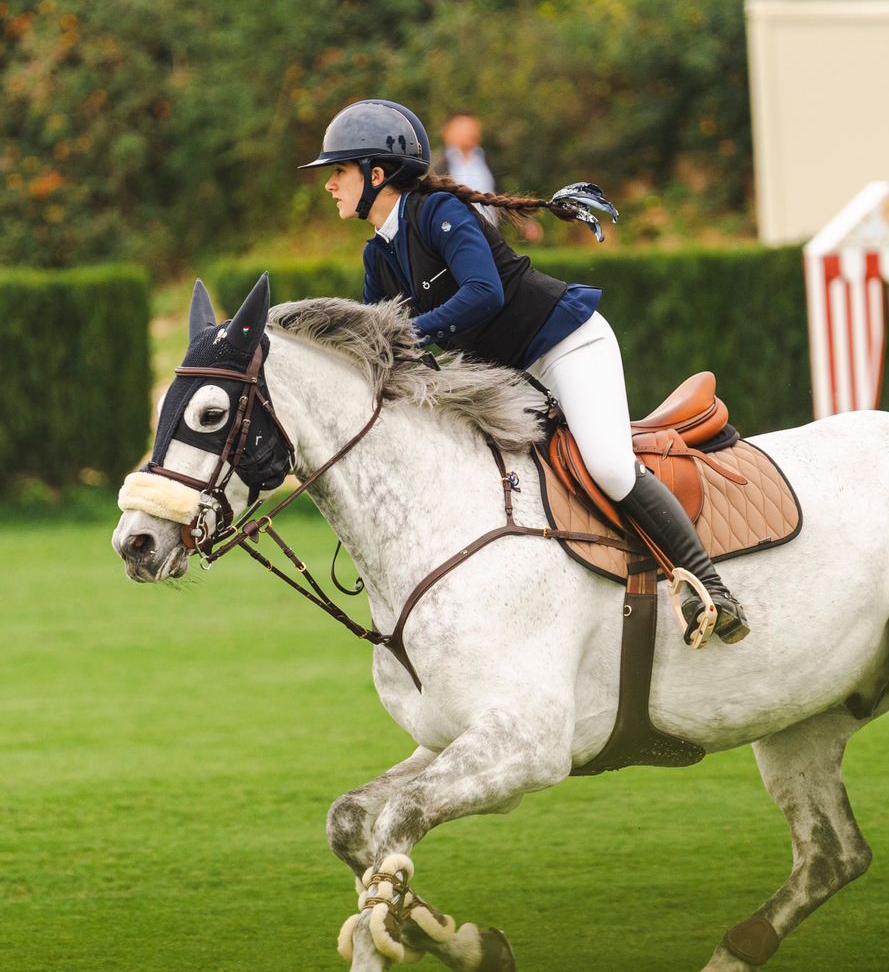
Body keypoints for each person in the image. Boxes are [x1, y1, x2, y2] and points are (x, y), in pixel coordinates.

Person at [297, 98, 749, 646]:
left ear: (376, 174)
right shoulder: (379, 258)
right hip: (510, 376)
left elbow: (483, 294)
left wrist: (409, 334)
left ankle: (710, 585)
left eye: (338, 171)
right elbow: (384, 355)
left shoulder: (440, 211)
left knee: (607, 466)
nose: (329, 184)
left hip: (567, 345)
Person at [440, 112, 542, 242]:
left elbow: (501, 197)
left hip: (490, 237)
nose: (471, 133)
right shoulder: (439, 165)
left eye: (474, 128)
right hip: (454, 237)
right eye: (465, 129)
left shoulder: (487, 161)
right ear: (449, 132)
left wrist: (525, 221)